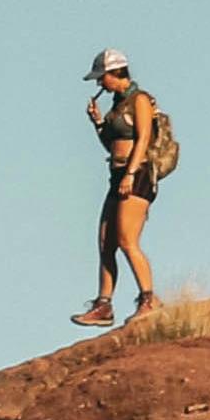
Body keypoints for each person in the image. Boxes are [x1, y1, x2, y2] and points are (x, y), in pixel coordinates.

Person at [75, 50, 173, 326]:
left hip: (138, 173)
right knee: (106, 242)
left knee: (127, 240)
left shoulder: (139, 100)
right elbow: (111, 145)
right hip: (117, 175)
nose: (99, 84)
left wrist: (130, 173)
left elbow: (142, 139)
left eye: (101, 77)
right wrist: (97, 123)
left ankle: (149, 299)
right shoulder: (117, 105)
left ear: (115, 73)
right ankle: (103, 305)